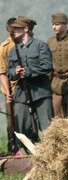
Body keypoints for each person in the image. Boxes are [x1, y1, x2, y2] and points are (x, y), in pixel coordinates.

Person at [7, 16, 54, 144]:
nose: (14, 30)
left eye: (17, 28)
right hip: (21, 94)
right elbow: (8, 72)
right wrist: (15, 72)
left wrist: (28, 71)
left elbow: (47, 67)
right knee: (20, 129)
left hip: (41, 94)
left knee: (47, 129)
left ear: (26, 29)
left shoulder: (40, 46)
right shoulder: (13, 51)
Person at [0, 18, 17, 154]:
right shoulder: (4, 47)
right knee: (11, 121)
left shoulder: (27, 43)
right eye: (11, 32)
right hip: (10, 89)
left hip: (27, 89)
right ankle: (12, 148)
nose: (14, 34)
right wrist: (8, 92)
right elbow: (2, 72)